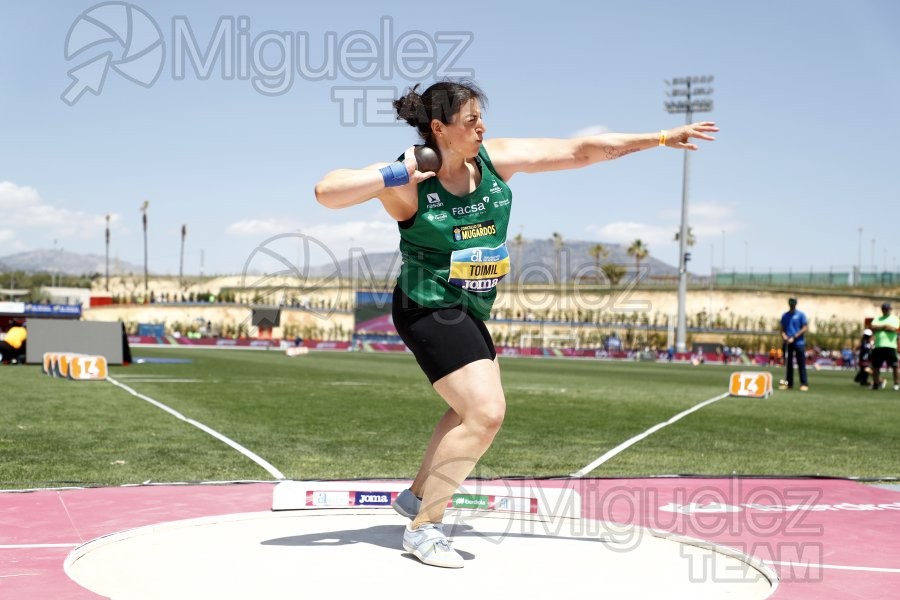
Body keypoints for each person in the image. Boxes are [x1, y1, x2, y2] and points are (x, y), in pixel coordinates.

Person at [314, 79, 717, 568]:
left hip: (469, 308)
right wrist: (396, 171)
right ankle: (424, 530)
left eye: (482, 117)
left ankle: (418, 496)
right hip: (427, 304)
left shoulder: (495, 159)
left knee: (468, 411)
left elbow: (579, 151)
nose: (481, 127)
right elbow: (327, 191)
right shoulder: (412, 183)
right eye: (470, 121)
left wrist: (658, 137)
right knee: (486, 412)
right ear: (439, 128)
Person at [779, 297, 809, 391]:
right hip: (788, 342)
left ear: (796, 303)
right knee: (788, 365)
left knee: (801, 363)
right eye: (790, 302)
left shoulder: (800, 315)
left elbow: (804, 328)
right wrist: (784, 335)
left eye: (793, 302)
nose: (792, 304)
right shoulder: (785, 315)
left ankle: (804, 383)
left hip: (798, 342)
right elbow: (782, 329)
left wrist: (795, 337)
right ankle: (788, 384)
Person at [869, 302, 899, 390]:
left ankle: (896, 384)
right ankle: (876, 383)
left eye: (887, 309)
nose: (885, 310)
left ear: (890, 309)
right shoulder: (878, 318)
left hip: (891, 346)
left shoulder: (894, 319)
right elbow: (873, 327)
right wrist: (885, 326)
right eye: (884, 309)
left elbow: (893, 328)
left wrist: (881, 327)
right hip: (878, 345)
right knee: (876, 366)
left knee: (894, 366)